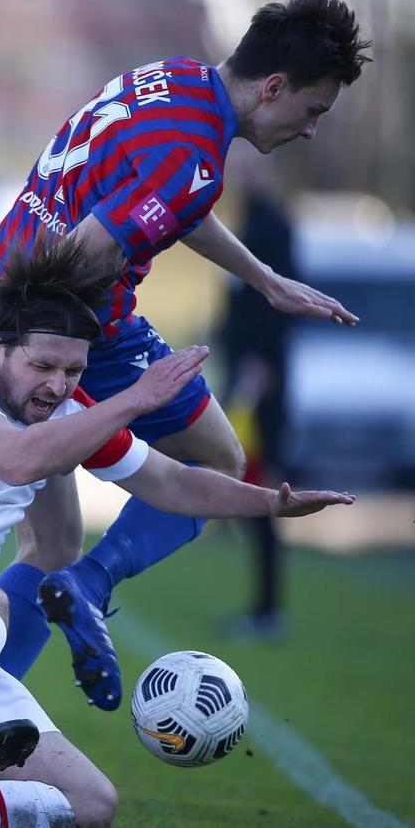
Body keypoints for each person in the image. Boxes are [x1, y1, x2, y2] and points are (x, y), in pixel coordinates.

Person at [0, 239, 353, 827]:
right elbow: (16, 460)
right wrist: (136, 398)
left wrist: (270, 502)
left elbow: (173, 484)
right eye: (42, 366)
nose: (58, 386)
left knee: (89, 807)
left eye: (73, 371)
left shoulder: (66, 412)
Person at [0, 0, 370, 709]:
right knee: (218, 459)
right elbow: (92, 245)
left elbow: (169, 200)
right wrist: (60, 366)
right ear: (274, 87)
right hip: (54, 333)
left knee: (48, 544)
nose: (309, 131)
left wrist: (264, 279)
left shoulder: (175, 81)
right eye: (313, 111)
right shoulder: (195, 155)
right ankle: (84, 592)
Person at [219, 154, 298, 639]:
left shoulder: (273, 224)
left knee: (262, 486)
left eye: (249, 170)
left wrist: (262, 361)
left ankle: (269, 609)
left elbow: (279, 299)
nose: (240, 178)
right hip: (245, 371)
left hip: (260, 379)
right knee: (242, 481)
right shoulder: (246, 220)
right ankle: (262, 607)